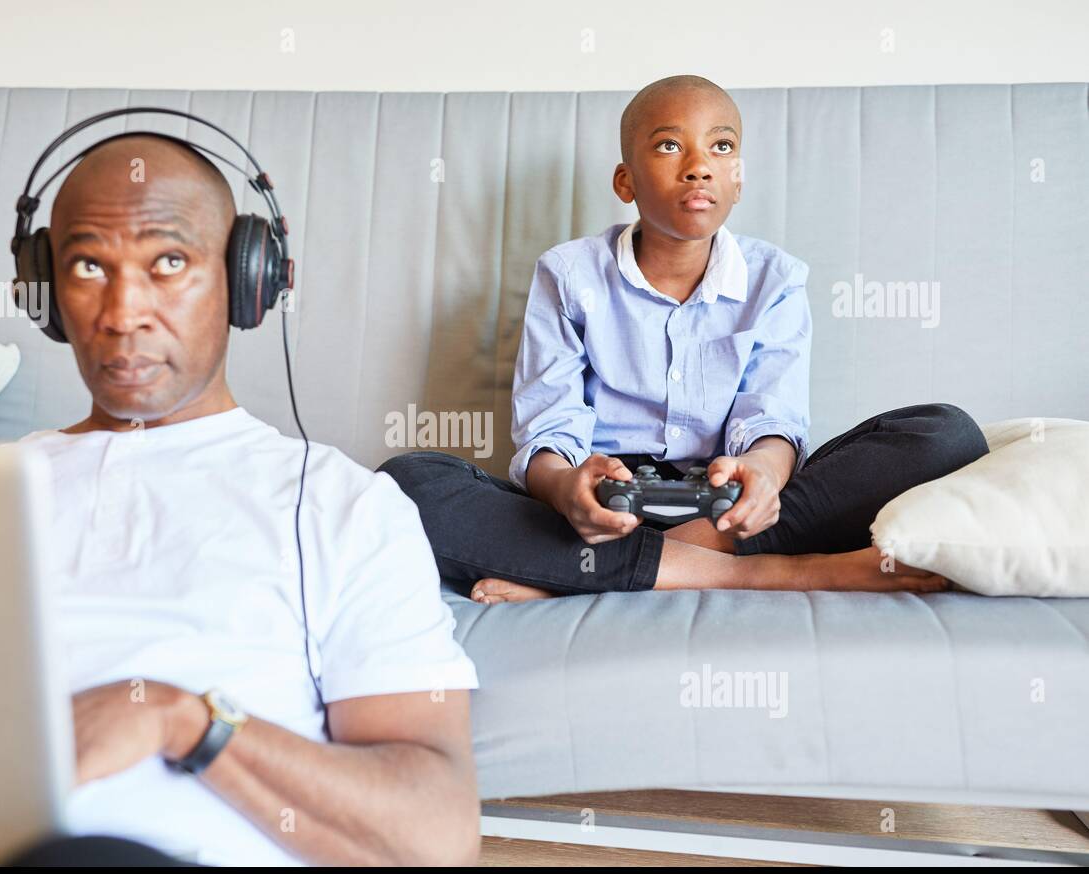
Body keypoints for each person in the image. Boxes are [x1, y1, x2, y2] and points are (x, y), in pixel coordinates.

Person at [13, 133, 480, 865]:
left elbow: (433, 835)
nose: (123, 310)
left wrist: (187, 721)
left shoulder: (342, 506)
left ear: (247, 278)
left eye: (168, 262)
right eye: (87, 266)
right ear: (42, 289)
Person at [379, 75, 989, 604]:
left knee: (945, 433)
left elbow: (772, 420)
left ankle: (584, 576)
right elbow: (550, 430)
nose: (699, 165)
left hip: (730, 503)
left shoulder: (775, 279)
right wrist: (569, 489)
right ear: (626, 180)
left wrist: (761, 475)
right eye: (669, 145)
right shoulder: (568, 274)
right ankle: (771, 575)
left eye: (721, 147)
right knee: (409, 482)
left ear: (738, 178)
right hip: (602, 507)